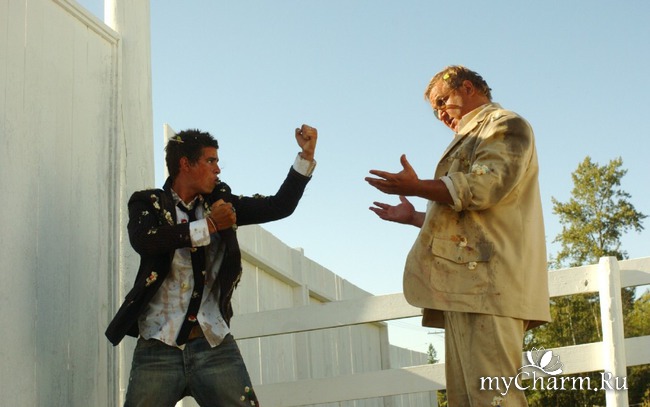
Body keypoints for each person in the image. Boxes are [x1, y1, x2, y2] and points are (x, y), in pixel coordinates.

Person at [365, 65, 550, 406]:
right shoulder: (473, 137)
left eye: (442, 101)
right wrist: (415, 217)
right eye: (434, 109)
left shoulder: (506, 125)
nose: (440, 114)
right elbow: (472, 221)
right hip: (468, 288)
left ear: (467, 88)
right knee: (468, 399)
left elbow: (482, 187)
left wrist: (417, 187)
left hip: (490, 286)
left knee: (495, 398)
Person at [106, 124, 318, 406]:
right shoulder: (148, 202)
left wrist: (305, 157)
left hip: (214, 344)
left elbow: (279, 206)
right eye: (210, 161)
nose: (218, 169)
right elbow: (145, 240)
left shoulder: (222, 204)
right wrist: (208, 226)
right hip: (157, 346)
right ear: (185, 164)